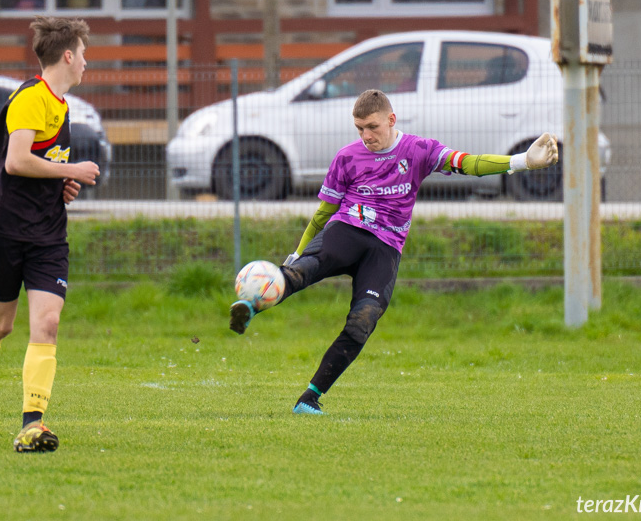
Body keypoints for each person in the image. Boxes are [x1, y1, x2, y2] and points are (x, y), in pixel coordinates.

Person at [229, 88, 558, 415]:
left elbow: (467, 163)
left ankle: (310, 397)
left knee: (364, 319)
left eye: (372, 127)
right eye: (359, 129)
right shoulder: (347, 157)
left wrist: (523, 161)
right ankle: (251, 304)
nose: (366, 135)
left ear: (391, 119)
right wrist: (296, 254)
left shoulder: (419, 150)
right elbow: (322, 215)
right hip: (348, 230)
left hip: (385, 248)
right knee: (303, 270)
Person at [0, 16, 100, 452]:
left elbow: (41, 164)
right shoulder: (30, 99)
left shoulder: (61, 104)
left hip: (47, 233)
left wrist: (62, 184)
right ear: (67, 55)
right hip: (3, 228)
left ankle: (32, 423)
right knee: (1, 325)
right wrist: (72, 169)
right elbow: (16, 162)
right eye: (83, 54)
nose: (86, 63)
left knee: (47, 323)